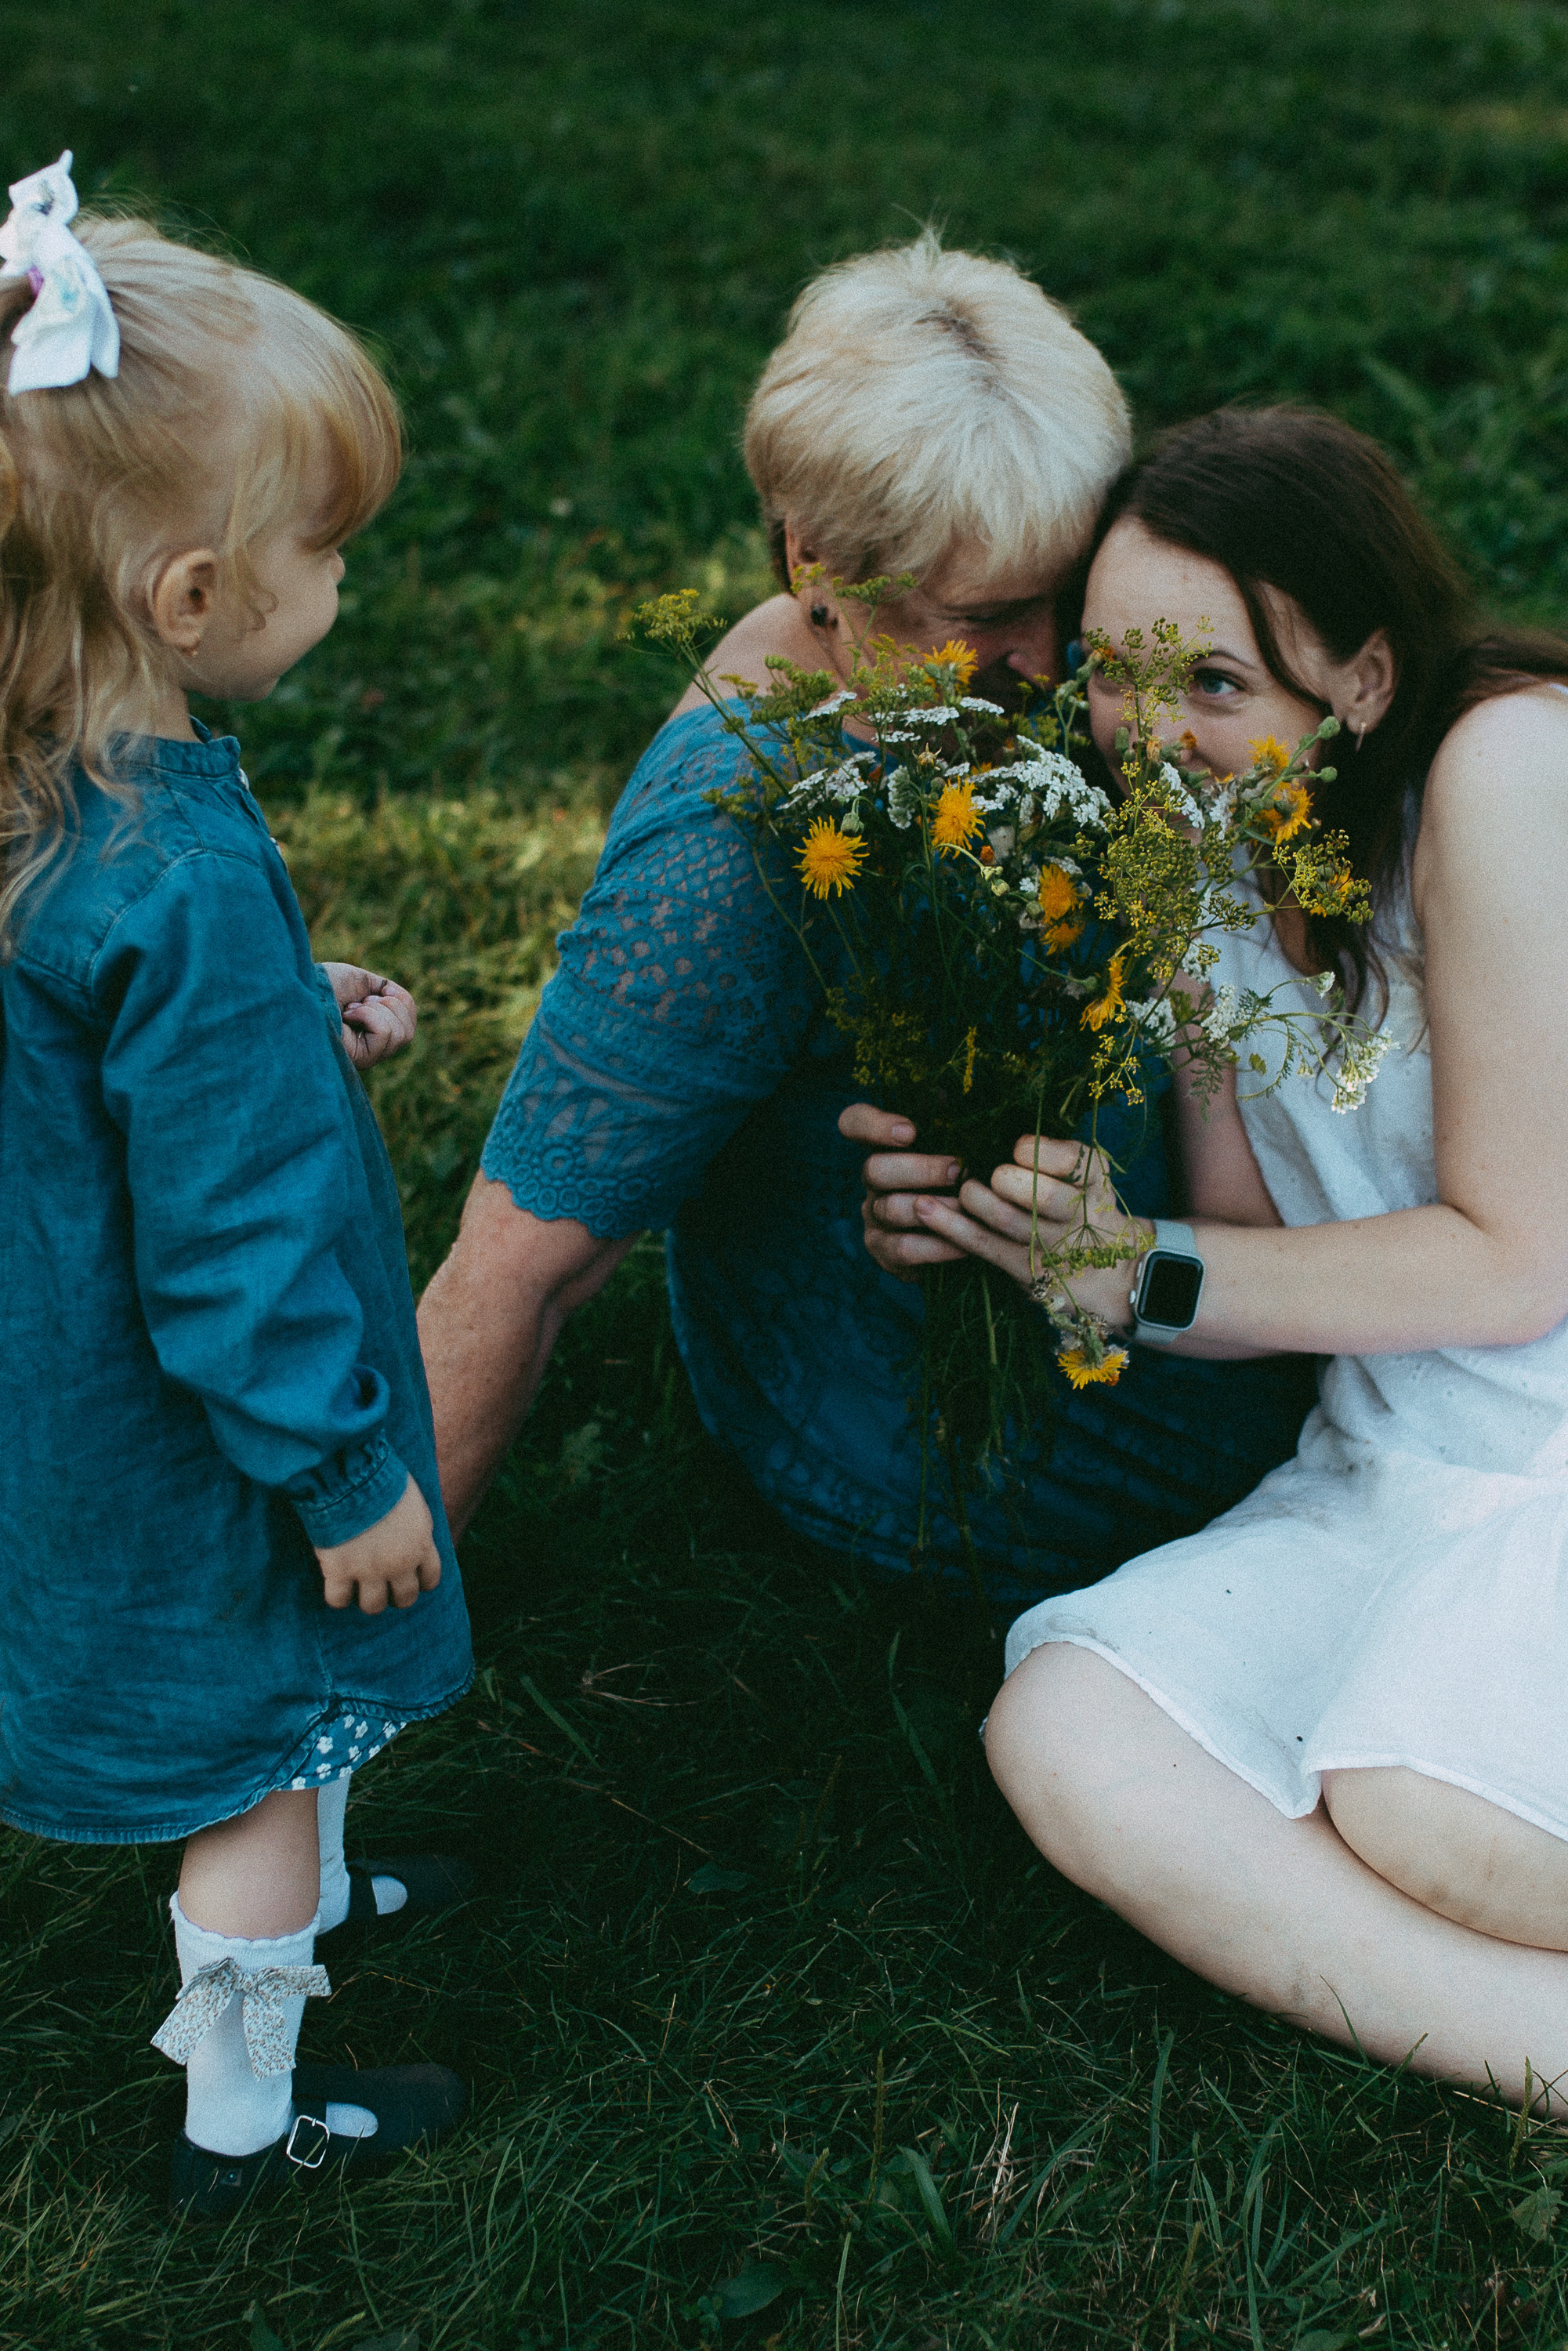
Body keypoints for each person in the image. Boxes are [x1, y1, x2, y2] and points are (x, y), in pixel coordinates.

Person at [419, 235, 1316, 1595]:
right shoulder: (742, 839)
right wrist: (322, 1695)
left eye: (1066, 599)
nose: (1055, 662)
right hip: (967, 1425)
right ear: (814, 563)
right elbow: (515, 1266)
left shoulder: (935, 672)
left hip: (1158, 1254)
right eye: (987, 615)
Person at [863, 403, 1568, 2103]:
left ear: (1365, 682)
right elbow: (1244, 1270)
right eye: (1113, 672)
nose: (1139, 730)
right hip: (1406, 1455)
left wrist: (1149, 1271)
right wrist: (1016, 1231)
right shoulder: (1178, 858)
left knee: (1417, 1805)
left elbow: (1514, 1261)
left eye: (1208, 685)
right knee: (1074, 1733)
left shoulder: (1503, 769)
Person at [0, 159, 473, 2219]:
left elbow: (125, 1081)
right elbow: (234, 1242)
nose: (343, 583)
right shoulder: (175, 868)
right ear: (190, 598)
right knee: (263, 1740)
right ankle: (245, 2116)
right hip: (204, 1435)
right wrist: (340, 1468)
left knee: (260, 1724)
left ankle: (311, 1888)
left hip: (61, 1392)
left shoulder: (55, 790)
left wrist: (291, 1008)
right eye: (327, 551)